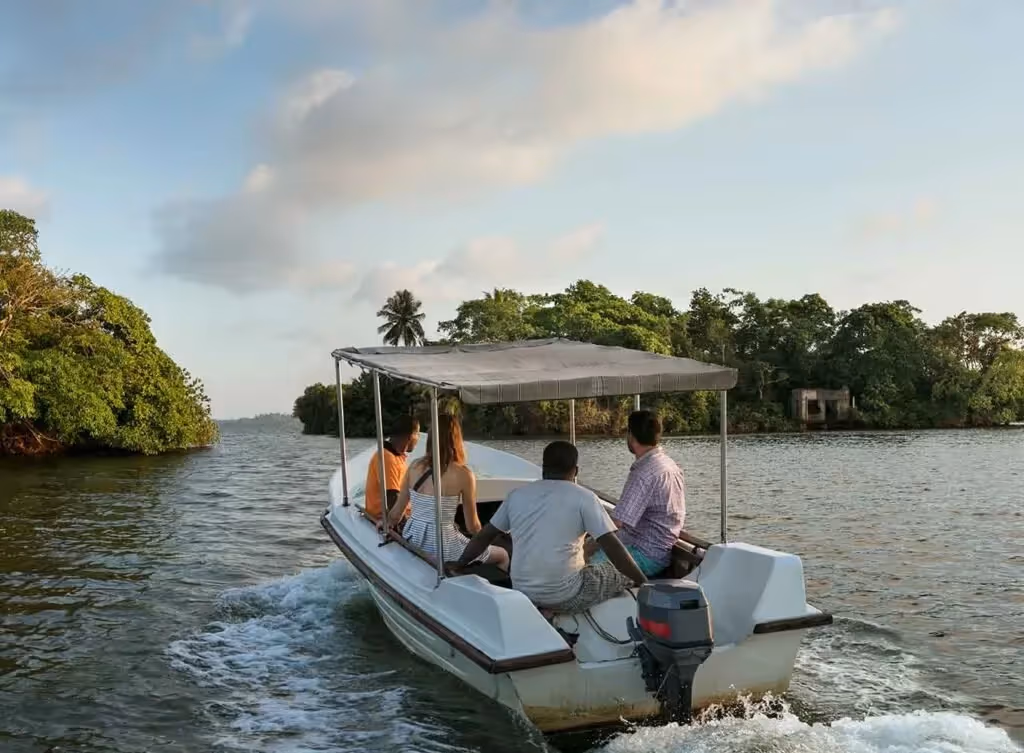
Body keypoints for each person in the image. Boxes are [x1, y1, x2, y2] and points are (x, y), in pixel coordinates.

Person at [454, 441, 646, 614]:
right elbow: (613, 548)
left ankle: (545, 610)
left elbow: (484, 536)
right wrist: (645, 583)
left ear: (543, 468)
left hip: (522, 590)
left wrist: (460, 564)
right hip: (566, 595)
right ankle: (557, 609)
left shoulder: (517, 495)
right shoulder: (585, 498)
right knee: (614, 572)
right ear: (576, 471)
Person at [386, 414, 509, 571]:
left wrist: (385, 522)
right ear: (456, 439)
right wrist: (489, 540)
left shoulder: (414, 466)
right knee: (503, 554)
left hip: (413, 538)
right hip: (444, 545)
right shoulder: (464, 474)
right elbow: (472, 526)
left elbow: (396, 515)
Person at [590, 410, 685, 576]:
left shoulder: (643, 473)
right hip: (661, 550)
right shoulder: (671, 465)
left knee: (584, 565)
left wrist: (585, 542)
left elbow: (616, 523)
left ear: (631, 436)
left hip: (644, 553)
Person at [364, 415, 420, 526]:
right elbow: (392, 498)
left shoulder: (396, 456)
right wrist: (407, 526)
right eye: (417, 434)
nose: (418, 438)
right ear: (410, 436)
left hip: (406, 513)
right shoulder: (387, 458)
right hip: (386, 518)